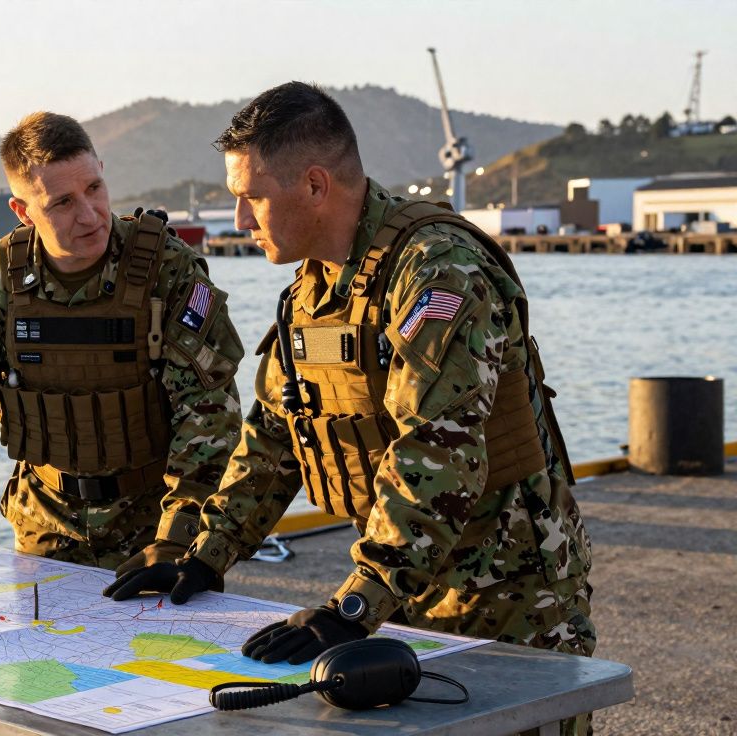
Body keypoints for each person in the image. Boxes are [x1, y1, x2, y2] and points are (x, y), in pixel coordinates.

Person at [108, 81, 595, 702]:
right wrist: (205, 556)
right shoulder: (312, 290)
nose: (238, 220)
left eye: (251, 197)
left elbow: (435, 454)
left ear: (315, 185)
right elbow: (276, 435)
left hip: (509, 593)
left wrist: (355, 604)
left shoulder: (438, 272)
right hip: (407, 588)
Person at [0, 112, 245, 586]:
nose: (89, 214)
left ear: (101, 170)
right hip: (42, 530)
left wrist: (178, 540)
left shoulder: (169, 271)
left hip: (153, 533)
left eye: (94, 189)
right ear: (23, 211)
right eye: (62, 202)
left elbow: (209, 415)